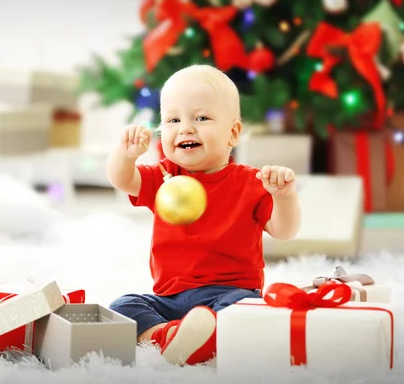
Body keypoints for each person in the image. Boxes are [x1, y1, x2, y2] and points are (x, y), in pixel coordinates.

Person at [106, 64, 301, 366]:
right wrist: (125, 154)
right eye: (173, 119)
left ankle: (202, 334)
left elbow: (284, 230)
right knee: (122, 307)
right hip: (169, 299)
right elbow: (122, 179)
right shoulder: (163, 176)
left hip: (229, 294)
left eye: (201, 118)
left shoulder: (251, 182)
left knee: (249, 310)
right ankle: (170, 335)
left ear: (233, 132)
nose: (185, 128)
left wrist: (283, 196)